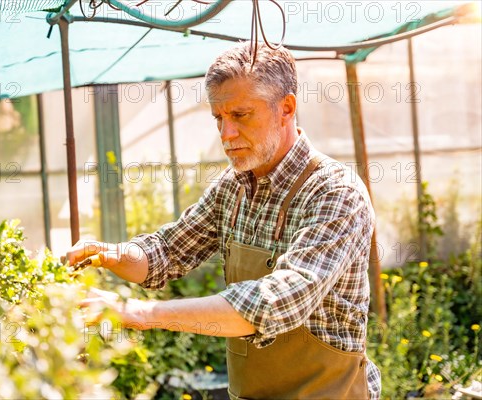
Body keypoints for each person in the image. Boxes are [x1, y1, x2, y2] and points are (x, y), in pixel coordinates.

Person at [67, 42, 382, 399]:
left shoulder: (335, 192)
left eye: (241, 115)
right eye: (219, 119)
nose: (226, 134)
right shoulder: (231, 190)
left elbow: (277, 301)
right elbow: (166, 253)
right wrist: (108, 253)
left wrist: (136, 312)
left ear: (286, 108)